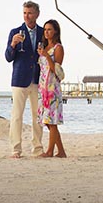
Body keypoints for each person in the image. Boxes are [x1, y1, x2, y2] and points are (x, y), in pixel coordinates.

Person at [4, 0, 44, 158]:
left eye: (30, 13)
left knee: (38, 116)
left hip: (37, 79)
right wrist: (13, 44)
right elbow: (8, 57)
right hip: (19, 80)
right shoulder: (15, 32)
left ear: (37, 14)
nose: (27, 16)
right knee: (17, 116)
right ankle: (15, 149)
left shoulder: (43, 32)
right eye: (24, 13)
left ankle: (38, 149)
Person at [37, 19, 67, 158]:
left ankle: (50, 151)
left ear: (55, 31)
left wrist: (47, 55)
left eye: (49, 29)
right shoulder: (44, 48)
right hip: (43, 87)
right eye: (45, 29)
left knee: (52, 121)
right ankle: (61, 151)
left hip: (52, 87)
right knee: (47, 121)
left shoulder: (58, 48)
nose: (46, 32)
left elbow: (56, 68)